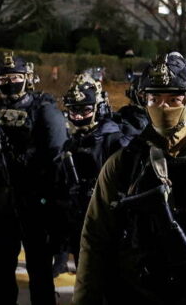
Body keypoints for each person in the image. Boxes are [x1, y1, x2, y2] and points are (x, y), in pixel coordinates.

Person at [74, 52, 186, 304]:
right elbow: (95, 241)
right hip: (140, 293)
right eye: (154, 98)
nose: (162, 107)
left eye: (174, 99)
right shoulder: (124, 163)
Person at [0, 53, 67, 304]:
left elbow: (56, 157)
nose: (10, 82)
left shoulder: (44, 111)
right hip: (2, 205)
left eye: (15, 77)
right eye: (4, 78)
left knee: (39, 268)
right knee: (2, 268)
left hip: (36, 204)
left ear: (29, 79)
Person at [53, 73, 127, 275]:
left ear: (99, 108)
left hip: (109, 226)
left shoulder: (114, 141)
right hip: (80, 224)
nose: (77, 116)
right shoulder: (72, 143)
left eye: (84, 110)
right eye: (72, 111)